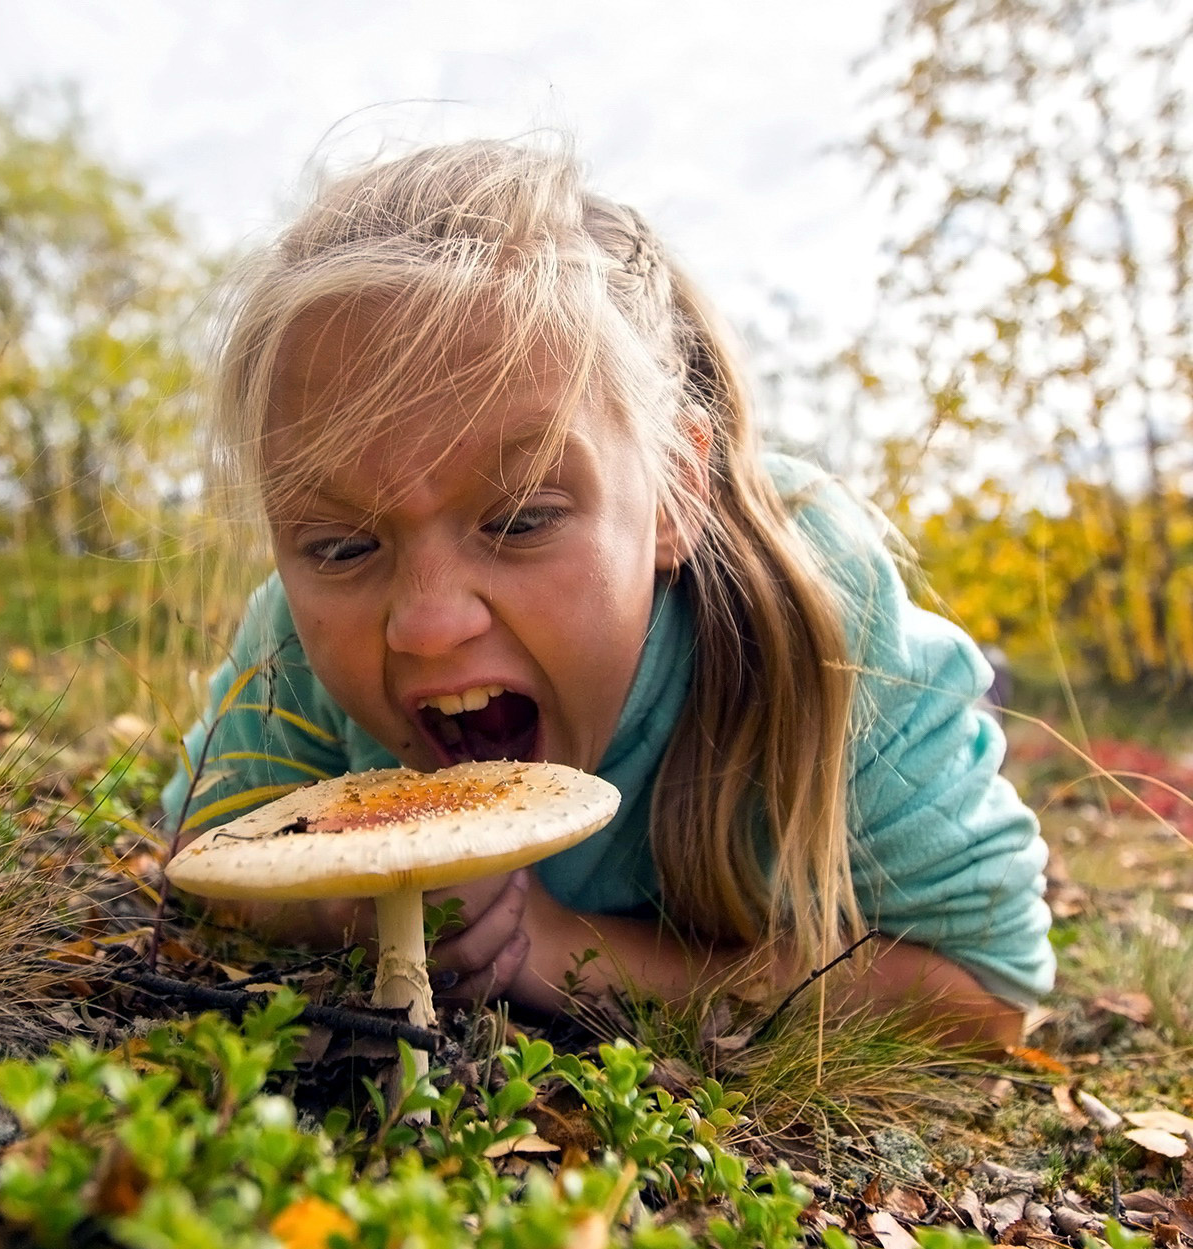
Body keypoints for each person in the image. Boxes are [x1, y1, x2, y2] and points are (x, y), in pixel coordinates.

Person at [161, 138, 1052, 1051]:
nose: (428, 624)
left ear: (675, 491)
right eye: (345, 545)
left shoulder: (822, 601)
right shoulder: (298, 633)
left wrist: (565, 950)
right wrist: (339, 906)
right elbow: (201, 852)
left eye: (521, 519)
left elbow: (990, 988)